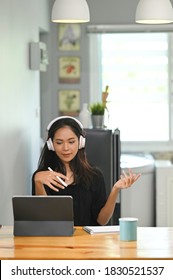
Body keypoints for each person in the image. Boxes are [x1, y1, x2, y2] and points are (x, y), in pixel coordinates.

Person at [32, 116, 141, 226]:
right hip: (56, 240)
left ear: (80, 142)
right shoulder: (42, 177)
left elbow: (102, 221)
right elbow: (43, 221)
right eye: (59, 142)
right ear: (51, 145)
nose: (65, 148)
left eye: (71, 142)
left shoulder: (94, 176)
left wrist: (115, 189)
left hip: (87, 240)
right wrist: (38, 182)